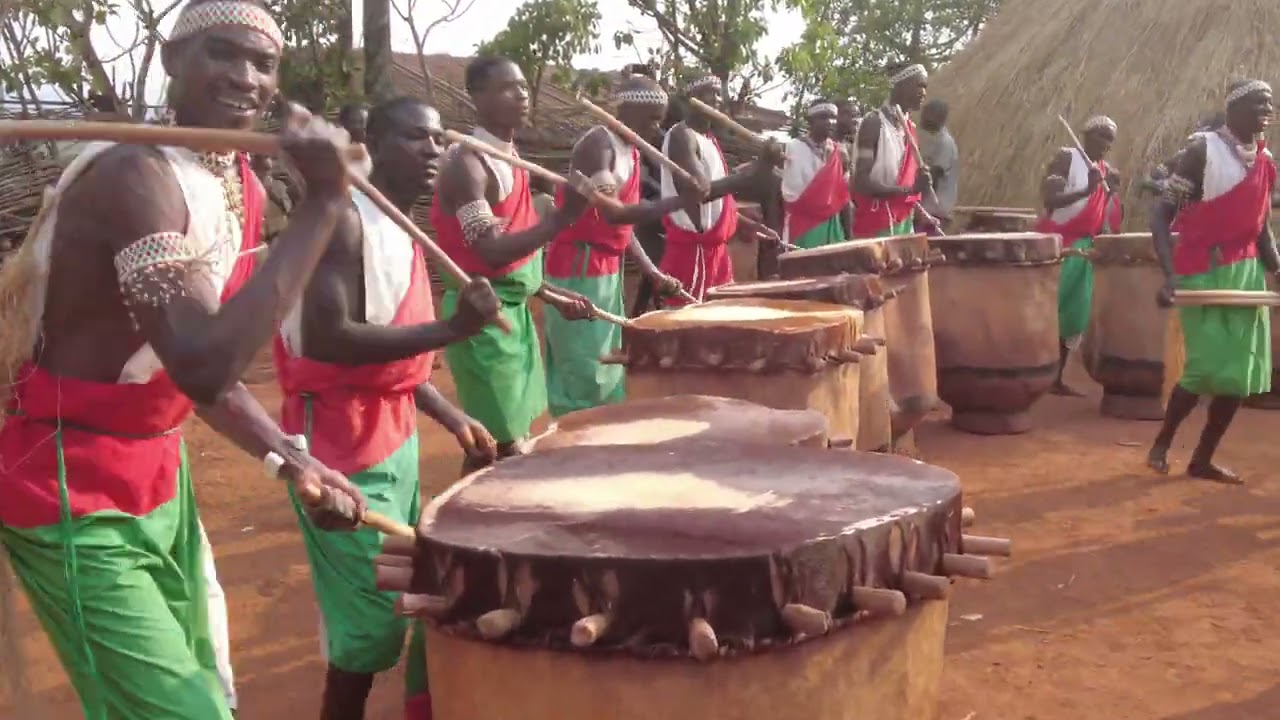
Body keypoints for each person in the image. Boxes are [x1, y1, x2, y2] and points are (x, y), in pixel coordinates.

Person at [0, 1, 366, 718]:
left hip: (159, 479)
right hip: (68, 489)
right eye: (221, 54)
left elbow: (186, 372)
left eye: (263, 64)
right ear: (171, 60)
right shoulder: (133, 176)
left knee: (199, 694)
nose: (244, 77)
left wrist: (290, 457)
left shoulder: (240, 186)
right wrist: (325, 204)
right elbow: (202, 363)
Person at [274, 96, 501, 719]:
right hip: (337, 446)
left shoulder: (399, 223)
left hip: (391, 437)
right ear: (371, 138)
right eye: (413, 138)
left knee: (402, 593)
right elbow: (330, 338)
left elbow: (389, 363)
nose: (432, 152)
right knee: (368, 627)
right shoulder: (346, 221)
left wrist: (450, 414)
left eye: (436, 140)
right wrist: (453, 331)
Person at [544, 73, 755, 417]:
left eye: (660, 119)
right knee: (584, 369)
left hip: (605, 270)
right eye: (652, 119)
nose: (657, 130)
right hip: (579, 267)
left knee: (607, 368)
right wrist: (680, 201)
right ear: (626, 111)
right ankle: (576, 448)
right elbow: (615, 214)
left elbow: (623, 229)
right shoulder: (598, 147)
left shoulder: (630, 149)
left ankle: (603, 443)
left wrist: (652, 271)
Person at [429, 56, 593, 471]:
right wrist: (563, 218)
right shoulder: (467, 165)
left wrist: (550, 294)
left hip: (514, 317)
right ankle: (469, 526)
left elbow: (515, 255)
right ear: (477, 97)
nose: (520, 95)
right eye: (506, 88)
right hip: (481, 320)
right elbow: (490, 252)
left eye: (522, 86)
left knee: (511, 437)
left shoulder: (509, 157)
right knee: (496, 447)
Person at [1146, 80, 1277, 484]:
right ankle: (1163, 441)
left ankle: (1202, 458)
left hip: (1247, 273)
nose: (1267, 109)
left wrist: (1277, 268)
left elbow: (1261, 228)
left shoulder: (1266, 159)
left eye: (1270, 103)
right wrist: (1169, 275)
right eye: (1258, 103)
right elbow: (1160, 215)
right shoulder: (1201, 151)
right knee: (1205, 368)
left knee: (1239, 374)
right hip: (1202, 268)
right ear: (1234, 109)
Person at [660, 73, 780, 304]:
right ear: (691, 99)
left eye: (717, 92)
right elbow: (698, 193)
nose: (715, 98)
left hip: (715, 253)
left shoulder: (708, 139)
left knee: (720, 322)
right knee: (691, 327)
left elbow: (717, 199)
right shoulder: (681, 136)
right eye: (708, 92)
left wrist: (745, 222)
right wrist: (756, 172)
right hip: (693, 252)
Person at [1034, 115, 1122, 396]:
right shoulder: (1067, 158)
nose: (1106, 143)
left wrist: (1110, 193)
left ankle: (1055, 378)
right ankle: (1034, 371)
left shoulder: (1103, 169)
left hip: (1084, 249)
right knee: (1047, 309)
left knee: (1074, 315)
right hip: (1059, 245)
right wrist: (1087, 188)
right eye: (1101, 136)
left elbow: (1102, 217)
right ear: (1086, 135)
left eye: (1110, 138)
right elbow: (1050, 199)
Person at [850, 63, 937, 238]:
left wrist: (922, 214)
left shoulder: (909, 128)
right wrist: (909, 191)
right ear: (901, 86)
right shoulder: (874, 124)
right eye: (919, 85)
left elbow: (905, 188)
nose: (924, 93)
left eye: (925, 87)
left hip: (903, 223)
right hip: (875, 224)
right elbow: (860, 183)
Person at [779, 99, 851, 249]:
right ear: (810, 121)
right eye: (824, 117)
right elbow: (790, 193)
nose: (830, 122)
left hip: (833, 226)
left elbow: (843, 197)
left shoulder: (840, 152)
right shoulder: (793, 148)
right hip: (804, 225)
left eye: (833, 117)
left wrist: (849, 235)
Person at [917, 98, 959, 225]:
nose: (922, 117)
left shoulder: (945, 143)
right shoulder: (931, 139)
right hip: (927, 211)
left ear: (939, 118)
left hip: (935, 211)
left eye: (926, 114)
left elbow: (932, 177)